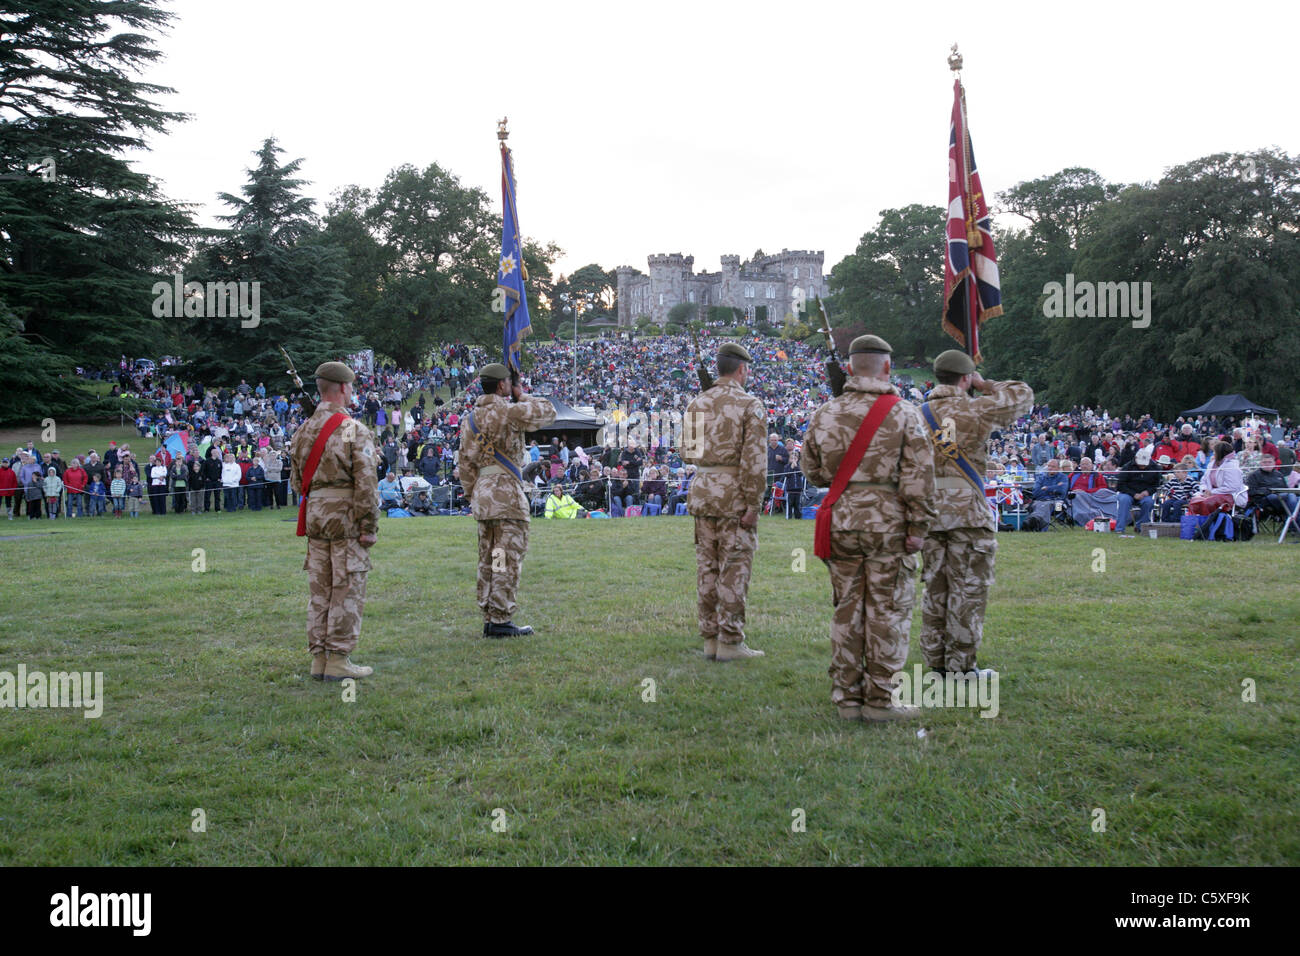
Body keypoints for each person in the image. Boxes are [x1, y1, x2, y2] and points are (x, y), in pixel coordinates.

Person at [801, 334, 936, 721]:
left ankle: (846, 697)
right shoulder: (905, 414)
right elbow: (919, 479)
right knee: (888, 610)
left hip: (841, 521)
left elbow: (812, 471)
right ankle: (880, 700)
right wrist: (919, 528)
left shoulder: (826, 412)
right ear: (887, 367)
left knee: (846, 609)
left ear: (849, 368)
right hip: (888, 523)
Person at [919, 350, 1033, 678]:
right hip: (967, 512)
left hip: (928, 512)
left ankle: (936, 664)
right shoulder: (976, 409)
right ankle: (961, 667)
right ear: (966, 378)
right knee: (967, 589)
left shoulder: (915, 414)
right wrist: (986, 384)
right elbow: (1023, 396)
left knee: (935, 589)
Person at [290, 361, 380, 681]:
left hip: (315, 519)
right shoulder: (354, 429)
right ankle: (339, 658)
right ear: (343, 388)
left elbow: (296, 481)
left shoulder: (303, 430)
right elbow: (366, 483)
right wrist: (368, 526)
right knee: (346, 587)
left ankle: (319, 659)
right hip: (345, 520)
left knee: (320, 589)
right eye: (351, 387)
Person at [682, 342, 767, 661]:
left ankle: (710, 639)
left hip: (703, 492)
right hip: (734, 495)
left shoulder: (696, 403)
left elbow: (686, 453)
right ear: (742, 369)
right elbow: (755, 460)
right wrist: (753, 503)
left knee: (708, 568)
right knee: (734, 569)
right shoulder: (750, 404)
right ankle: (730, 642)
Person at [458, 363, 556, 637]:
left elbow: (464, 463)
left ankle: (490, 615)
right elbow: (548, 412)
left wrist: (472, 495)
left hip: (484, 495)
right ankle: (500, 618)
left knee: (488, 558)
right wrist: (521, 394)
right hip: (508, 497)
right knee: (505, 557)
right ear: (503, 385)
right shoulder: (510, 411)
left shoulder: (470, 419)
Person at [1187, 441, 1247, 515]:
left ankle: (1208, 525)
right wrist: (1205, 490)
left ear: (1220, 453)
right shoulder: (1211, 464)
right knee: (1194, 501)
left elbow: (1232, 487)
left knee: (1207, 502)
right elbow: (1204, 480)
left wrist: (1212, 492)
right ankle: (1195, 524)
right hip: (1211, 494)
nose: (1213, 453)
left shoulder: (1232, 466)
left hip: (1230, 495)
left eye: (1215, 451)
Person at [1114, 445, 1160, 533]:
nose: (1142, 466)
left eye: (1144, 464)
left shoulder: (1155, 468)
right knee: (1124, 500)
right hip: (1128, 493)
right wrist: (1133, 494)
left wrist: (1147, 492)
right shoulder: (1127, 467)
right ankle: (1120, 528)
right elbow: (1120, 485)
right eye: (1140, 464)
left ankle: (1141, 527)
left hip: (1145, 494)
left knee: (1149, 502)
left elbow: (1156, 485)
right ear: (1135, 458)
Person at [1026, 458, 1068, 530]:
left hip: (1058, 503)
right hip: (1040, 500)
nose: (1050, 468)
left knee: (1046, 505)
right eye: (1049, 466)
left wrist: (1047, 488)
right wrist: (1055, 487)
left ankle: (1037, 523)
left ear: (1058, 468)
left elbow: (1062, 491)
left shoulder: (1063, 477)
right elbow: (1036, 493)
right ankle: (1033, 521)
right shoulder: (1041, 477)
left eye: (1053, 466)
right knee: (1037, 504)